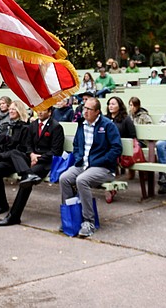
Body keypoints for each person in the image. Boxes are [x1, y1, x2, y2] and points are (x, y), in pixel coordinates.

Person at [59, 96, 121, 239]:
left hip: (103, 168)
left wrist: (99, 161)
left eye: (89, 109)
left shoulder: (107, 125)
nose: (84, 112)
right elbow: (76, 145)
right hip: (83, 164)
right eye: (84, 108)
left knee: (82, 180)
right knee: (64, 178)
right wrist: (79, 157)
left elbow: (116, 148)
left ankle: (89, 221)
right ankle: (70, 218)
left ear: (97, 112)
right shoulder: (81, 124)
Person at [0, 105, 64, 227]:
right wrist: (31, 154)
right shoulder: (33, 125)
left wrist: (38, 158)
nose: (40, 112)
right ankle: (28, 173)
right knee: (15, 152)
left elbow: (56, 151)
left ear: (49, 112)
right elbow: (28, 145)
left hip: (46, 162)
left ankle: (14, 216)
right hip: (32, 158)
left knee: (25, 182)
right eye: (38, 109)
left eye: (43, 109)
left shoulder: (56, 127)